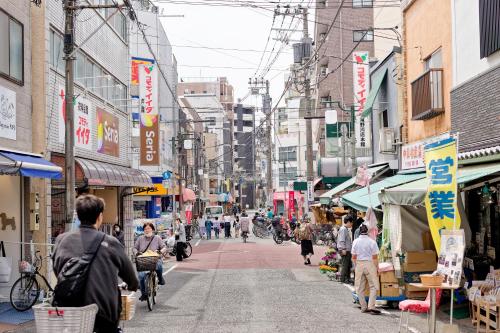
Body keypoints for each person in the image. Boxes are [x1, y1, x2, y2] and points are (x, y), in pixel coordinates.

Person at [52, 195, 139, 333]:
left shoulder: (61, 240)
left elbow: (58, 270)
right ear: (100, 216)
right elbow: (130, 276)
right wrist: (133, 285)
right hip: (103, 314)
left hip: (70, 310)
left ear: (79, 216)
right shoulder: (111, 242)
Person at [352, 224, 381, 315]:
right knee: (373, 286)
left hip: (359, 264)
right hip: (370, 264)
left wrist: (356, 265)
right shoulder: (372, 242)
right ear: (367, 231)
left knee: (360, 288)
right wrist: (377, 267)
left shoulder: (355, 241)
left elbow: (353, 256)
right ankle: (371, 306)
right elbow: (375, 257)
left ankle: (363, 307)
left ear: (360, 231)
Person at [134, 222, 166, 301]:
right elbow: (134, 248)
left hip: (155, 259)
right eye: (145, 229)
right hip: (143, 260)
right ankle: (144, 294)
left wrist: (160, 251)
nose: (147, 230)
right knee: (141, 276)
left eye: (148, 228)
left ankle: (160, 278)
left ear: (152, 229)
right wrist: (136, 253)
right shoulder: (140, 238)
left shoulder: (157, 238)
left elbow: (164, 247)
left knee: (159, 266)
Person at [338, 215, 354, 283]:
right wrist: (343, 249)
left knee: (347, 264)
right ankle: (342, 279)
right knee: (345, 264)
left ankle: (346, 278)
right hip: (345, 250)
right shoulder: (343, 229)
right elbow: (342, 240)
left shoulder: (344, 229)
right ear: (348, 222)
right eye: (351, 223)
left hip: (346, 250)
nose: (351, 224)